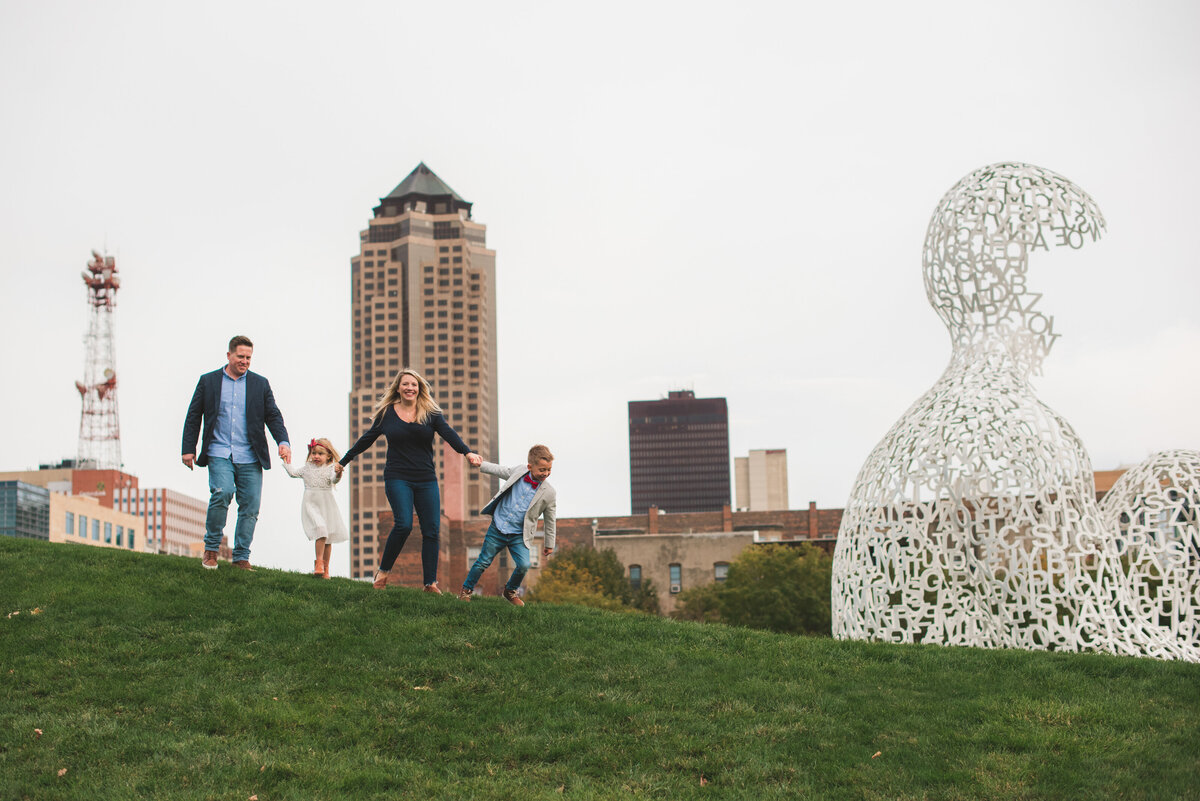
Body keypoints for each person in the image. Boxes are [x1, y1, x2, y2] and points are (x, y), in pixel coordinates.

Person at [339, 368, 481, 592]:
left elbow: (449, 433)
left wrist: (467, 452)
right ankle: (383, 572)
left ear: (419, 388)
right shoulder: (387, 414)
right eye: (405, 384)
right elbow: (366, 440)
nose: (410, 388)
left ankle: (430, 583)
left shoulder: (430, 413)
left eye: (414, 385)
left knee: (431, 530)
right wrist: (343, 462)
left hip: (426, 478)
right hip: (397, 477)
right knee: (403, 524)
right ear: (398, 388)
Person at [182, 335, 291, 571]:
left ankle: (241, 558)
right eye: (240, 356)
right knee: (222, 492)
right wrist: (188, 449)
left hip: (251, 455)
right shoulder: (208, 381)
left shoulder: (259, 384)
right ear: (229, 355)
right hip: (219, 451)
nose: (244, 361)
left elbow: (273, 415)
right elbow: (193, 416)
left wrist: (283, 441)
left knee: (251, 506)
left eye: (248, 358)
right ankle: (211, 550)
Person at [458, 445, 557, 607]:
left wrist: (549, 544)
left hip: (519, 535)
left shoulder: (549, 492)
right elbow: (500, 470)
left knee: (524, 565)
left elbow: (550, 518)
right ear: (530, 466)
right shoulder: (519, 472)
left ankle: (510, 591)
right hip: (498, 527)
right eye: (542, 470)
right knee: (483, 561)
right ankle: (466, 590)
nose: (545, 473)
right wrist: (480, 464)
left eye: (549, 470)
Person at [281, 437, 348, 579]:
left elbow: (334, 479)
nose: (316, 456)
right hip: (311, 505)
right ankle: (318, 563)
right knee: (321, 530)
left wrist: (338, 473)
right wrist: (286, 461)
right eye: (314, 453)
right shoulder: (307, 468)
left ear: (328, 455)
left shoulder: (331, 468)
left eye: (320, 454)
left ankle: (326, 569)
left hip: (327, 505)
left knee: (328, 538)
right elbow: (293, 473)